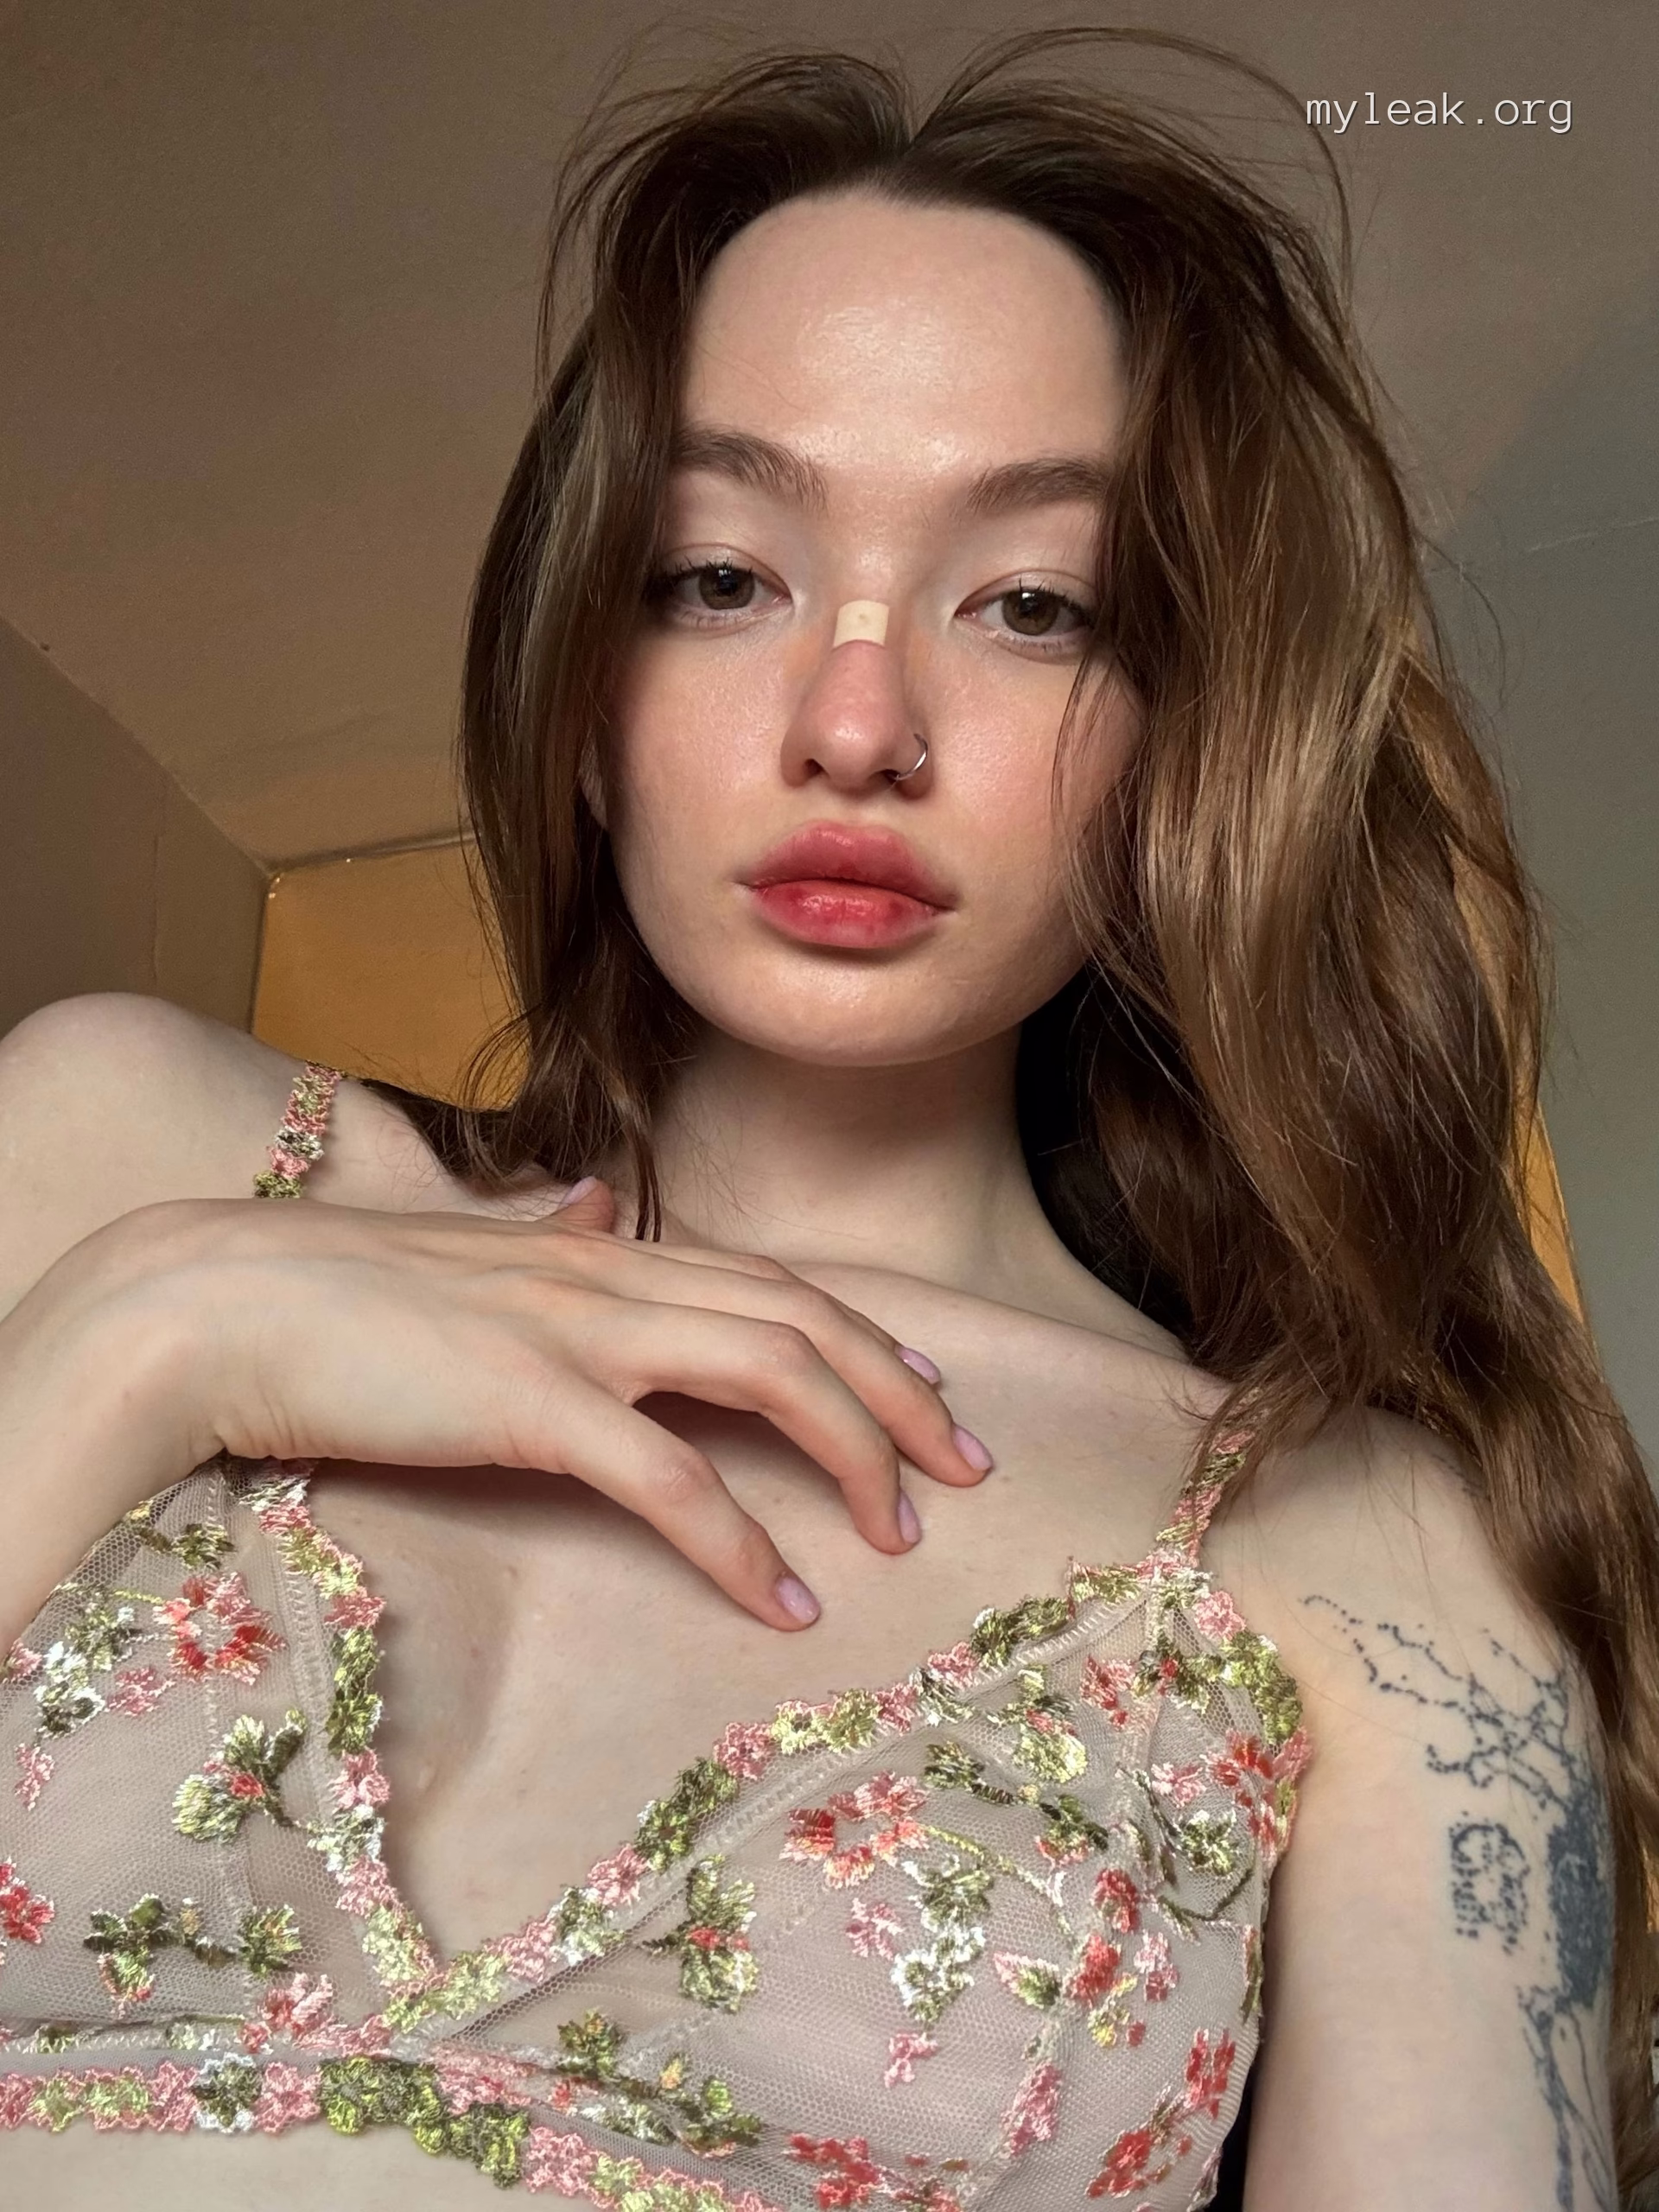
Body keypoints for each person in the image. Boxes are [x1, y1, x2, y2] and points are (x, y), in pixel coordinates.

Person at [0, 29, 1654, 2211]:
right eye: (720, 574)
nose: (856, 722)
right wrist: (141, 1338)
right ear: (583, 684)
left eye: (1036, 606)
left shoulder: (1362, 1553)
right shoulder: (119, 1152)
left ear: (1182, 743)